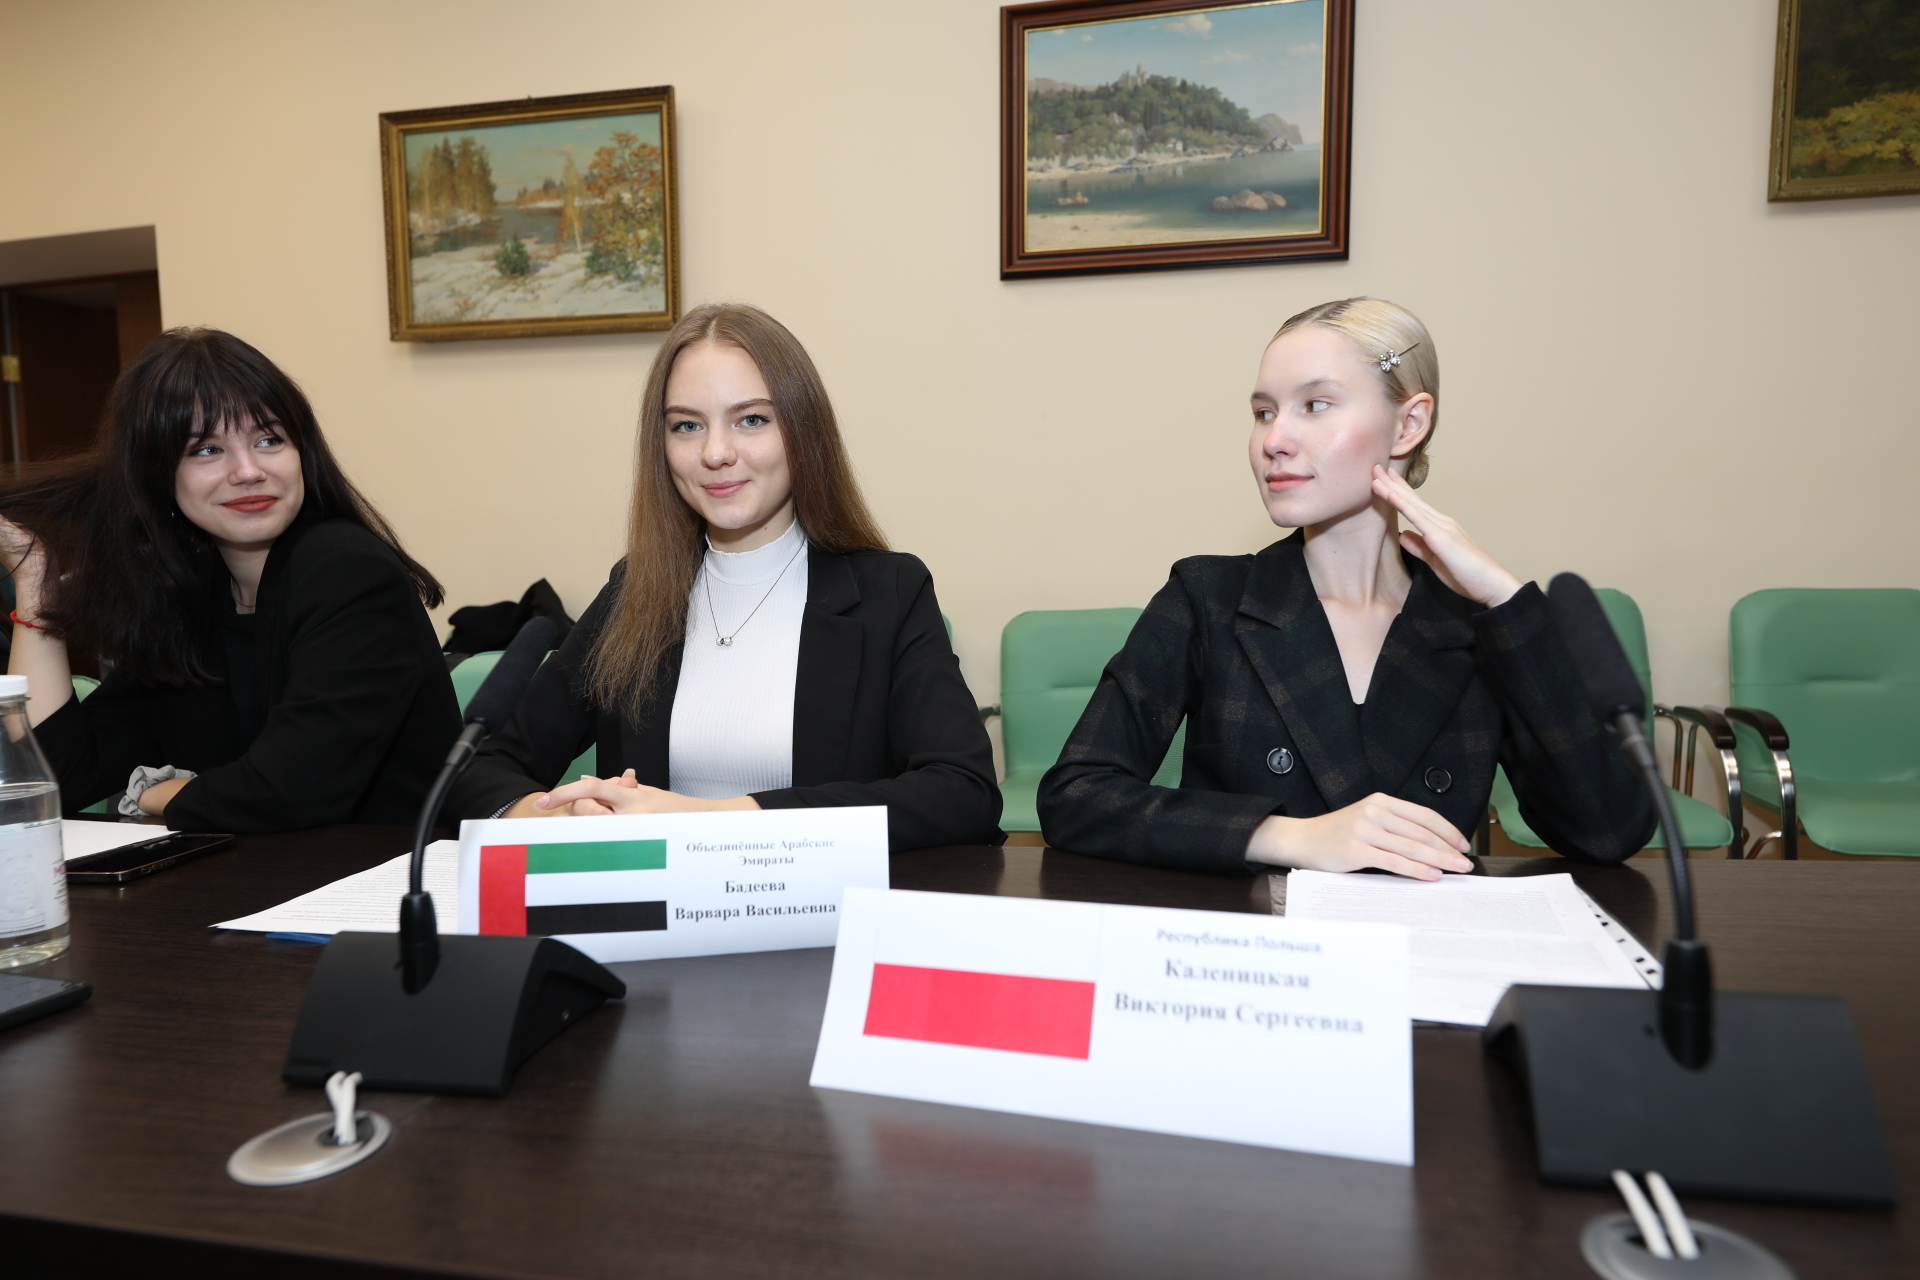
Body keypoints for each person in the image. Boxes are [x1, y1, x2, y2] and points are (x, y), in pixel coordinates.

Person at [1037, 297, 1654, 877]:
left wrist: (1505, 602)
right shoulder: (1208, 597)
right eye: (1263, 412)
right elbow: (1076, 795)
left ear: (1408, 424)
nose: (1273, 440)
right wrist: (1286, 836)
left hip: (1423, 945)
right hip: (1251, 942)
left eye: (1315, 405)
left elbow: (1608, 832)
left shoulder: (1476, 627)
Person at [447, 303, 1001, 851]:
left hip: (818, 903)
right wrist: (555, 815)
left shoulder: (890, 591)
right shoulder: (634, 592)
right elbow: (482, 769)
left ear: (803, 430)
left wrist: (712, 819)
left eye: (751, 419)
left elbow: (963, 792)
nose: (715, 453)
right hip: (655, 907)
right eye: (686, 426)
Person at [0, 328, 460, 832]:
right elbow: (54, 777)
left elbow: (290, 792)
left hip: (379, 874)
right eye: (206, 450)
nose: (248, 471)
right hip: (253, 874)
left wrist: (154, 793)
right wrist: (35, 578)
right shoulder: (189, 593)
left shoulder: (347, 571)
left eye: (268, 440)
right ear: (158, 475)